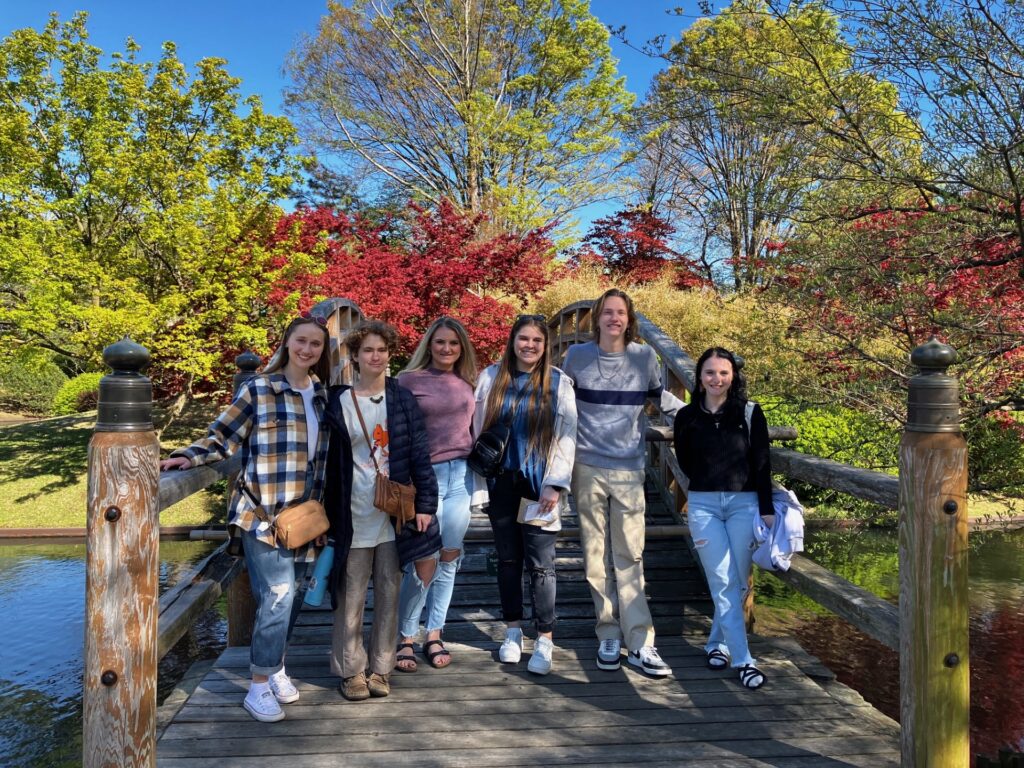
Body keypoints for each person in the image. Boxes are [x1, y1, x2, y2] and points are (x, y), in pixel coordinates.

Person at [160, 313, 331, 723]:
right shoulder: (259, 389)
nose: (307, 349)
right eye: (301, 341)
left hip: (306, 516)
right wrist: (188, 456)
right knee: (277, 594)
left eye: (316, 344)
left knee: (295, 595)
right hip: (263, 512)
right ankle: (257, 686)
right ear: (287, 343)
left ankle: (276, 667)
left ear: (323, 351)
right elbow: (223, 436)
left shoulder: (323, 395)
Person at [562, 288, 684, 677]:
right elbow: (556, 404)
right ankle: (608, 633)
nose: (614, 318)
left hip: (630, 469)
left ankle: (641, 641)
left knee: (630, 553)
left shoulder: (644, 357)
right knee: (595, 554)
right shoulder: (576, 356)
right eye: (608, 312)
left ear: (629, 320)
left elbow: (660, 399)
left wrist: (709, 415)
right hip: (586, 467)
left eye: (621, 313)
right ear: (596, 317)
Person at [322, 319, 439, 702]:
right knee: (350, 597)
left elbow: (420, 453)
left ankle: (381, 668)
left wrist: (426, 504)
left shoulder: (402, 398)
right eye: (368, 350)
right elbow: (325, 463)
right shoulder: (337, 401)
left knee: (389, 593)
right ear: (355, 356)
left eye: (382, 350)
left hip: (393, 513)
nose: (376, 356)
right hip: (353, 511)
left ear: (390, 355)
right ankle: (351, 671)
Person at [472, 314, 577, 676]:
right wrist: (480, 481)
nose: (529, 345)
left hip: (539, 485)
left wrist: (555, 483)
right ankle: (513, 630)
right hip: (502, 482)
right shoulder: (491, 377)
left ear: (546, 345)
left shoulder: (558, 383)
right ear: (512, 341)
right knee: (508, 560)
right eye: (523, 338)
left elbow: (567, 436)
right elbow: (477, 430)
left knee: (541, 564)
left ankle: (545, 637)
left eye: (537, 340)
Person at [672, 347, 771, 690]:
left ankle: (717, 643)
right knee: (722, 581)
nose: (717, 379)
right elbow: (685, 461)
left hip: (745, 504)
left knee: (737, 582)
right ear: (700, 377)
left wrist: (767, 509)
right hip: (704, 506)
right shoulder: (686, 416)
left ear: (733, 376)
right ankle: (744, 661)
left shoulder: (749, 412)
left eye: (724, 372)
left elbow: (762, 463)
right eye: (710, 372)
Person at [395, 317, 477, 671]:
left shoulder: (469, 381)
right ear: (429, 344)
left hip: (461, 476)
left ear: (462, 348)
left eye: (454, 343)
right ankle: (405, 636)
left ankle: (434, 632)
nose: (447, 348)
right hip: (425, 479)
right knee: (423, 559)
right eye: (440, 342)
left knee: (449, 556)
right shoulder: (407, 381)